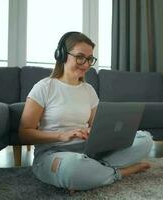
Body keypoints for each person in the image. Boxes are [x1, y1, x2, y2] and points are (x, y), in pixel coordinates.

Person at [19, 31, 153, 192]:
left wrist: (95, 132)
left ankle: (92, 172)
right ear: (62, 55)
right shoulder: (44, 87)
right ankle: (119, 172)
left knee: (145, 139)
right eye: (80, 57)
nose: (86, 64)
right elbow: (24, 133)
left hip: (88, 152)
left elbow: (97, 126)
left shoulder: (88, 90)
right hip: (53, 153)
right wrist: (61, 135)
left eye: (90, 59)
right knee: (73, 168)